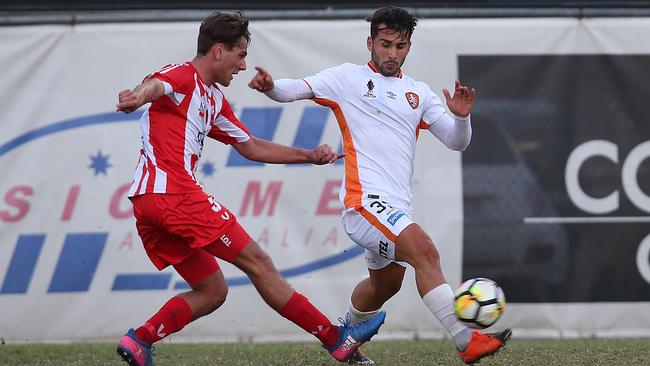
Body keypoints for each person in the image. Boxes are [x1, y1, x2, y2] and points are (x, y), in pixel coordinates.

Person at [114, 11, 385, 366]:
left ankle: (140, 340)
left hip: (147, 203)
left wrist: (309, 155)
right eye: (240, 55)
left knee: (213, 290)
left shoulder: (212, 99)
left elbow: (251, 146)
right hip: (174, 194)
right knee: (258, 262)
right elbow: (154, 86)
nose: (242, 67)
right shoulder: (181, 76)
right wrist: (137, 95)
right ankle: (335, 339)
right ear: (218, 51)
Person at [249, 6, 511, 365]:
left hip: (394, 208)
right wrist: (271, 87)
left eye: (400, 46)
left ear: (408, 47)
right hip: (363, 204)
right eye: (385, 44)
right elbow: (297, 89)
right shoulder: (347, 79)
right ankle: (466, 339)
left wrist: (462, 118)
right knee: (425, 250)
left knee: (386, 285)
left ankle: (345, 337)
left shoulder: (418, 93)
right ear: (370, 42)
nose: (392, 53)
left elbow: (456, 142)